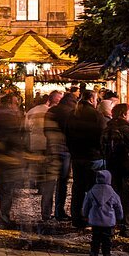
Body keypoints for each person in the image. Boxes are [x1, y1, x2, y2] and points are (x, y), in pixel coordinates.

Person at [101, 102, 129, 237]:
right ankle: (127, 228)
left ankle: (111, 226)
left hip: (111, 169)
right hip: (128, 169)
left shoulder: (107, 129)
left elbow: (102, 149)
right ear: (124, 114)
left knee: (113, 197)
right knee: (128, 199)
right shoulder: (128, 130)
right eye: (128, 113)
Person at [64, 89, 107, 230]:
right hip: (93, 157)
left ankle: (76, 217)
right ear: (91, 99)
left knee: (78, 187)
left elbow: (67, 135)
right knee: (92, 188)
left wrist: (72, 150)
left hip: (77, 156)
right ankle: (89, 217)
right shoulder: (96, 115)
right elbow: (102, 136)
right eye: (96, 99)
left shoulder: (72, 114)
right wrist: (101, 152)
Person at [0, 93, 26, 230]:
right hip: (8, 157)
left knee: (5, 189)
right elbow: (16, 137)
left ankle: (4, 216)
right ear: (10, 104)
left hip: (0, 157)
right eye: (15, 103)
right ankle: (4, 218)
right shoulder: (9, 118)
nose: (16, 106)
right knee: (8, 189)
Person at [29, 91, 63, 222]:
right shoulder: (52, 114)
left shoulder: (32, 111)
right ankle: (47, 211)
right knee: (50, 179)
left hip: (35, 144)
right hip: (49, 147)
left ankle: (37, 185)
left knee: (38, 168)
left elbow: (26, 127)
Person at [48, 90, 77, 221]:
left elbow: (46, 129)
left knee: (49, 181)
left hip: (51, 147)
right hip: (65, 149)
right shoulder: (71, 113)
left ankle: (46, 212)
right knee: (62, 181)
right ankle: (59, 210)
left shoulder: (52, 111)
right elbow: (72, 132)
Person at [83, 169, 124, 256]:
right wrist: (120, 216)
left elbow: (86, 204)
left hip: (95, 219)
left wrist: (85, 214)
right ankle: (106, 253)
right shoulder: (113, 193)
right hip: (108, 221)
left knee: (95, 237)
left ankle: (94, 252)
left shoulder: (91, 191)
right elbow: (118, 206)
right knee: (107, 238)